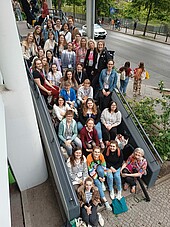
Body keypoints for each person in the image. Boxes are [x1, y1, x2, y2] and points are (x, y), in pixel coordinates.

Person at [86, 147, 113, 211]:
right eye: (95, 152)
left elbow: (104, 166)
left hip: (99, 170)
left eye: (98, 152)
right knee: (97, 183)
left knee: (101, 170)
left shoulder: (101, 156)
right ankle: (105, 201)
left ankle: (102, 182)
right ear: (92, 151)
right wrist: (98, 177)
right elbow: (90, 170)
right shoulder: (89, 158)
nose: (97, 153)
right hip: (93, 173)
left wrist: (103, 177)